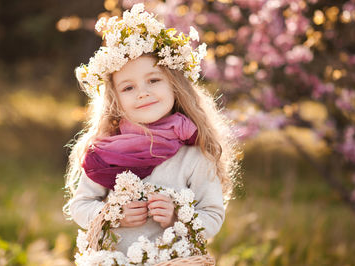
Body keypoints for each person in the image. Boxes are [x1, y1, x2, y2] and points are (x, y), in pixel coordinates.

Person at [64, 3, 237, 255]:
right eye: (128, 87)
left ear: (174, 86)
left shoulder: (194, 155)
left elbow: (212, 216)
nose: (143, 93)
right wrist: (113, 215)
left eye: (153, 80)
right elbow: (80, 206)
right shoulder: (104, 153)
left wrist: (177, 217)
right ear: (116, 100)